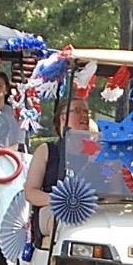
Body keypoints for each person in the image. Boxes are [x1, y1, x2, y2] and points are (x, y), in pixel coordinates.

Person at [23, 98, 96, 246]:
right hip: (51, 208)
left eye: (86, 112)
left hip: (89, 209)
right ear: (63, 117)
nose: (84, 116)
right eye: (77, 111)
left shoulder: (96, 153)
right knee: (66, 223)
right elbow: (30, 192)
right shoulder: (47, 150)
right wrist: (62, 202)